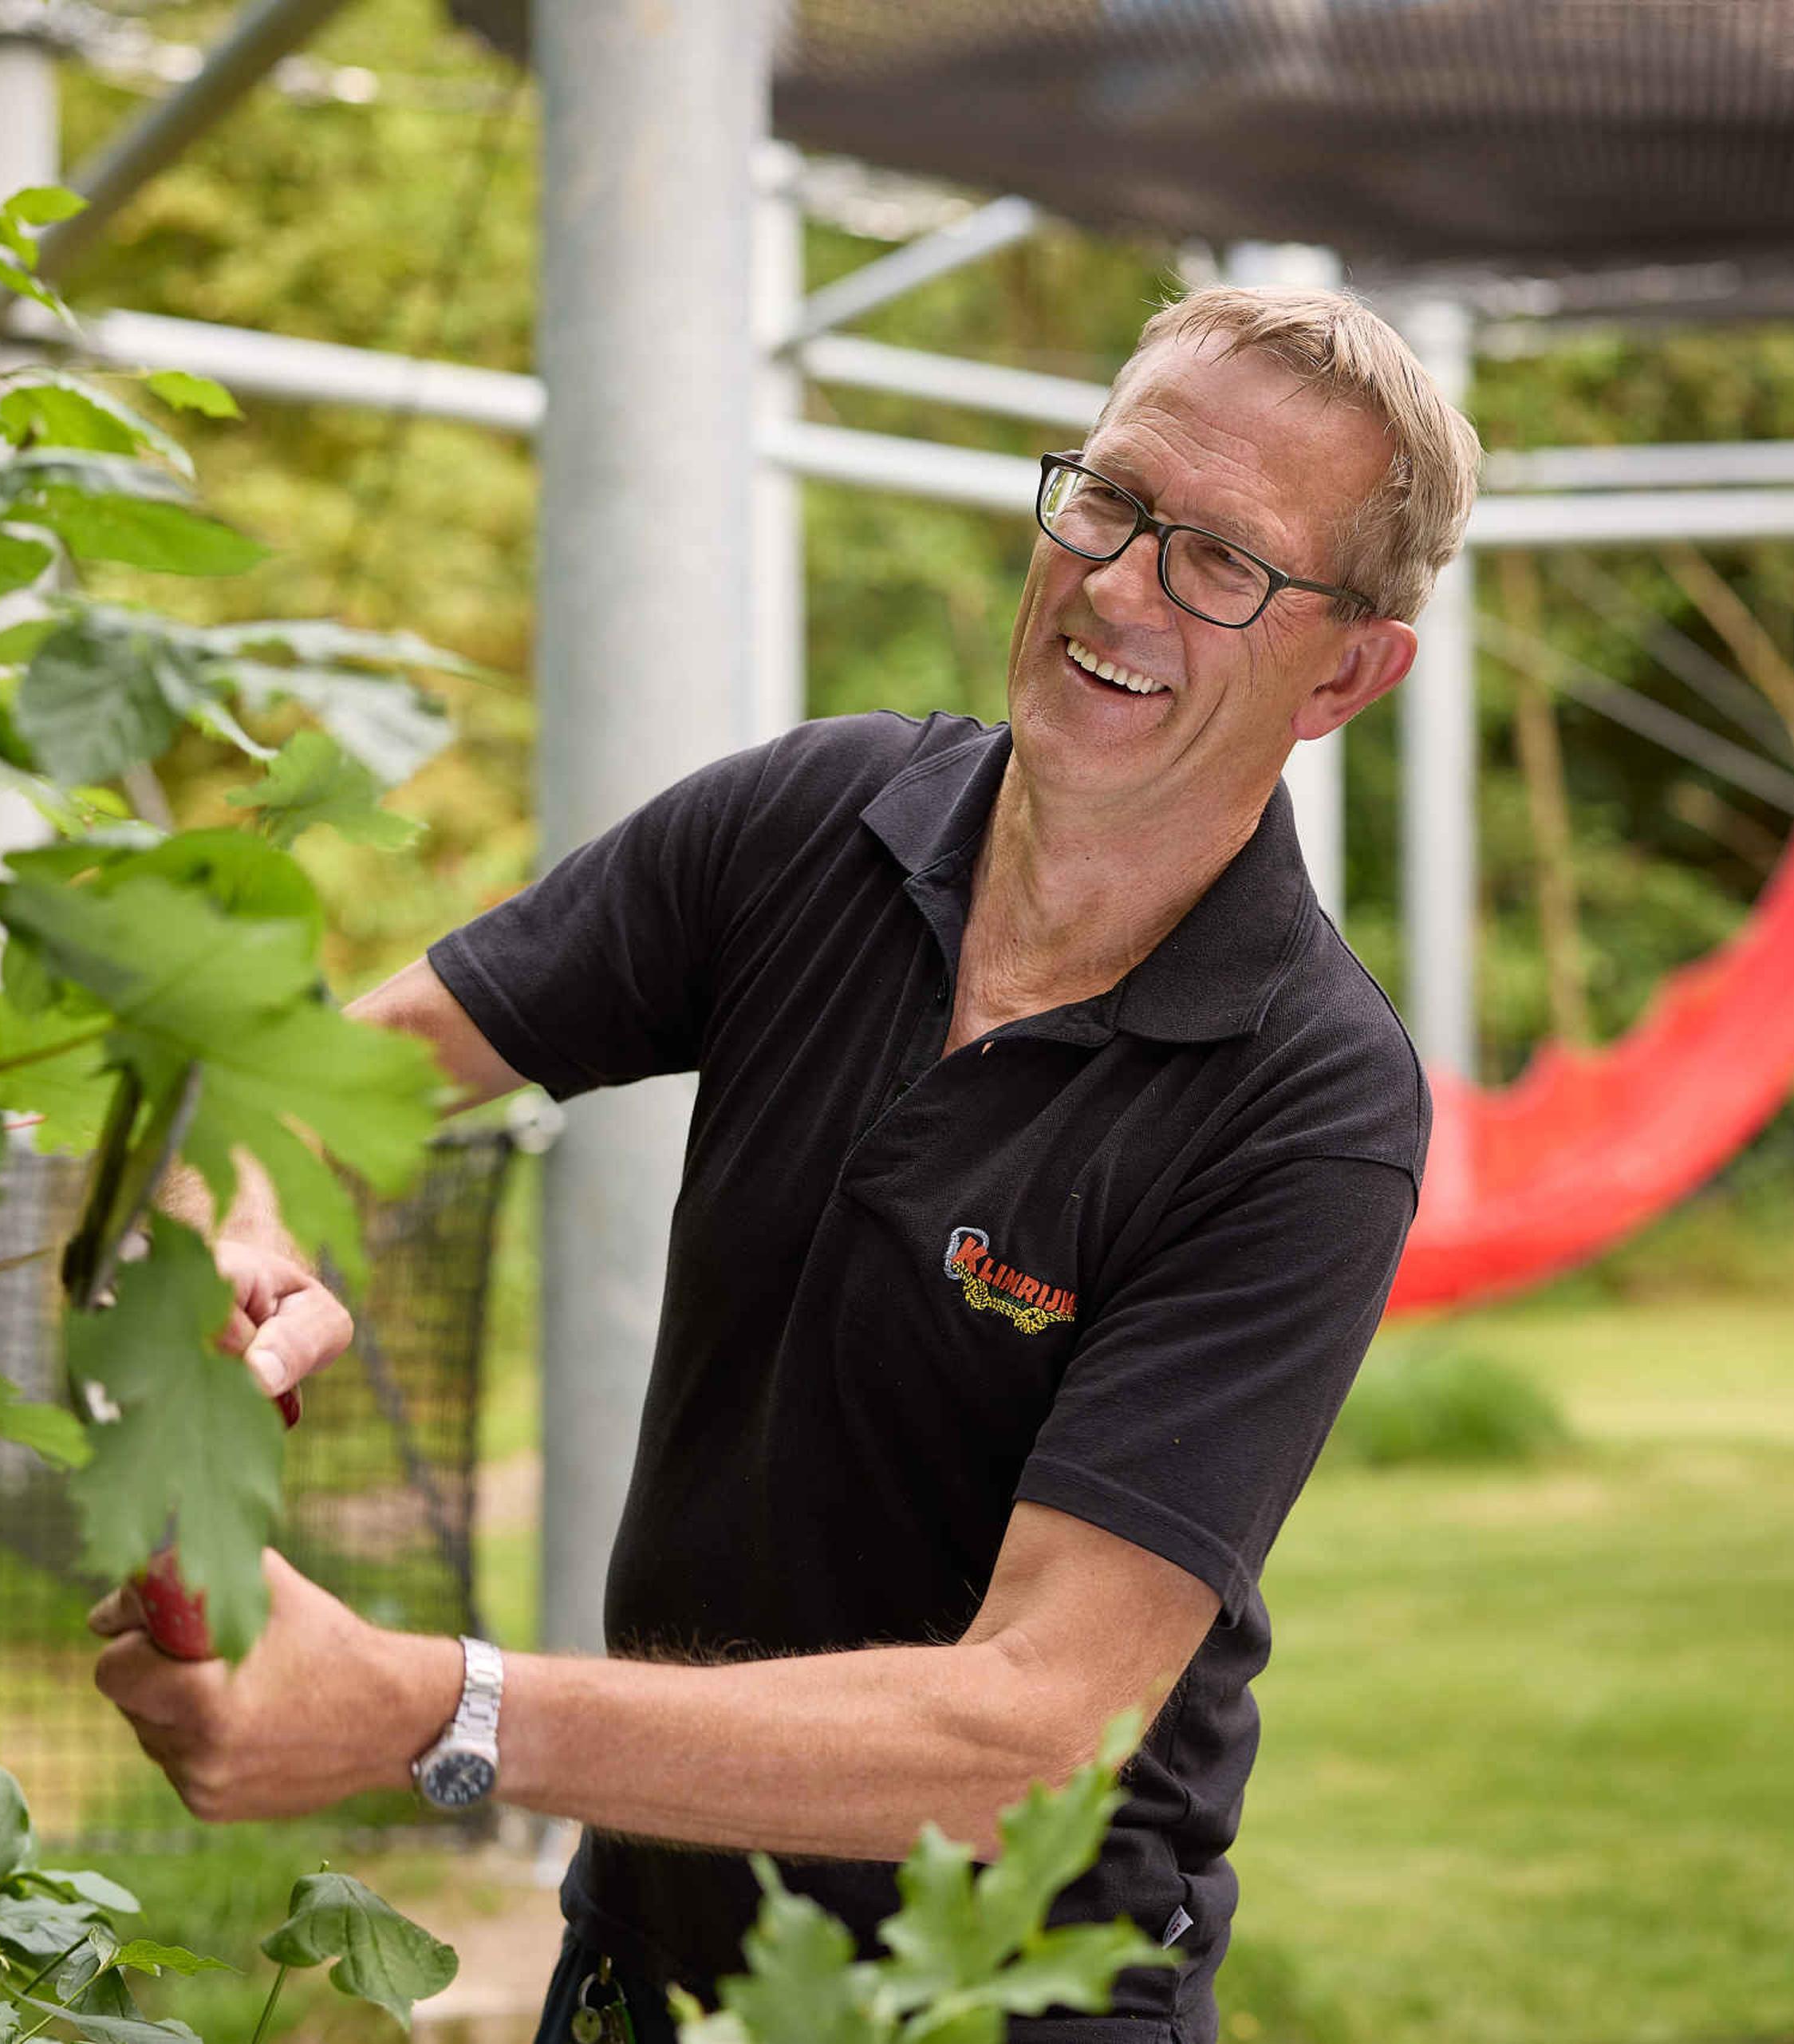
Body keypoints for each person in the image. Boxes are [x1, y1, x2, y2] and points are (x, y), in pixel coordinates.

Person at [89, 284, 1482, 2044]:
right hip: (640, 1963)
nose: (1122, 583)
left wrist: (424, 1709)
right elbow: (287, 1084)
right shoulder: (814, 825)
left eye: (1221, 560)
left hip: (991, 2012)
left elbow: (1026, 1737)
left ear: (1348, 671)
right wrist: (234, 1227)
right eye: (1114, 500)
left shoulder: (1307, 1099)